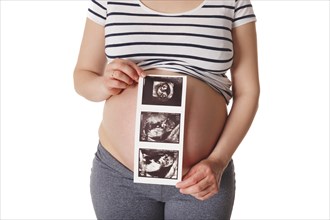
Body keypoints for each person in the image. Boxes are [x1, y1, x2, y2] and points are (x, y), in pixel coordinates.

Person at [74, 0, 259, 219]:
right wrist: (104, 84)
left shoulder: (232, 1)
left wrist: (218, 161)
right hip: (120, 175)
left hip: (201, 178)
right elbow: (83, 76)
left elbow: (248, 91)